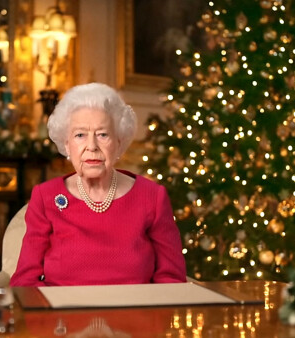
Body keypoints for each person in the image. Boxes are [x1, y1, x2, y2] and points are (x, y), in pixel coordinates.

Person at [10, 83, 187, 287]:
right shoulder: (45, 197)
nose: (92, 146)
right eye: (80, 135)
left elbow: (171, 280)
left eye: (103, 134)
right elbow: (25, 282)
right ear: (67, 144)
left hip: (134, 315)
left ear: (119, 143)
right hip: (63, 316)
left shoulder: (152, 197)